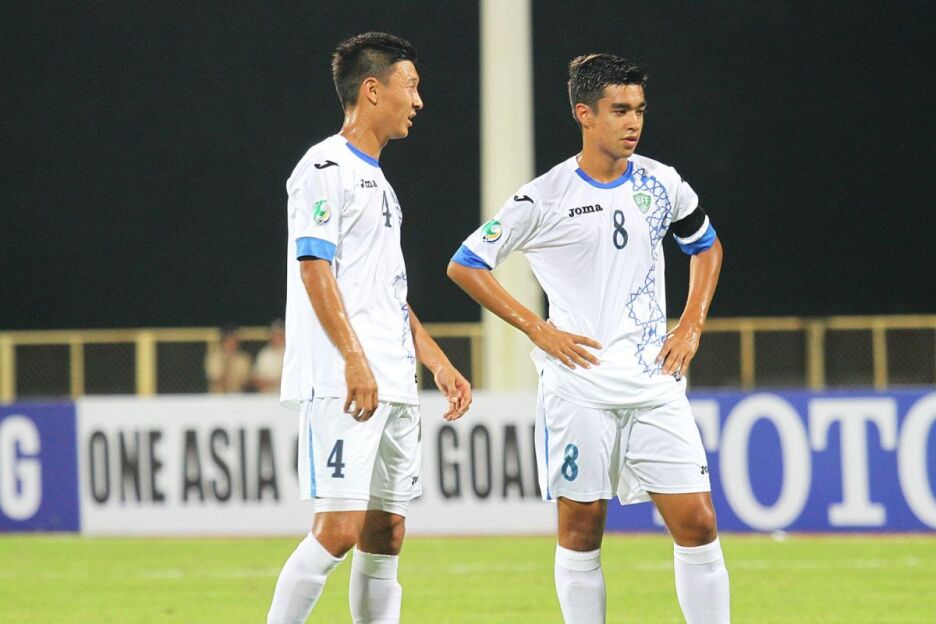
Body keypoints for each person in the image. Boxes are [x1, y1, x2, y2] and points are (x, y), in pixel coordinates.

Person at [448, 54, 729, 623]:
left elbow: (706, 245)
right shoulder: (544, 196)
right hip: (579, 388)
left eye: (639, 110)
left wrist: (691, 323)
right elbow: (466, 263)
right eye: (620, 110)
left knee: (698, 522)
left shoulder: (661, 181)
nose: (634, 122)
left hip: (654, 383)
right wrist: (539, 328)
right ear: (584, 114)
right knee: (582, 529)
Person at [268, 32, 472, 624]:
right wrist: (355, 360)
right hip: (346, 380)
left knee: (386, 534)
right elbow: (314, 268)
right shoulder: (323, 167)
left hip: (394, 380)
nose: (419, 101)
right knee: (338, 529)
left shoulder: (381, 183)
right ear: (373, 89)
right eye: (412, 87)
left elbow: (388, 295)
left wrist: (436, 361)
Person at [204, 326, 252, 393]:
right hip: (218, 394)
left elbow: (245, 382)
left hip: (238, 394)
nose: (231, 342)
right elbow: (216, 380)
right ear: (223, 341)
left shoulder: (244, 358)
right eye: (228, 339)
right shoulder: (214, 357)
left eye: (234, 339)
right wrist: (227, 362)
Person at [253, 319, 285, 393]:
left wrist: (273, 382)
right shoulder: (264, 354)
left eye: (278, 334)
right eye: (274, 334)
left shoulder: (289, 353)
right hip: (265, 396)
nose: (275, 337)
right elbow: (255, 377)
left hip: (284, 395)